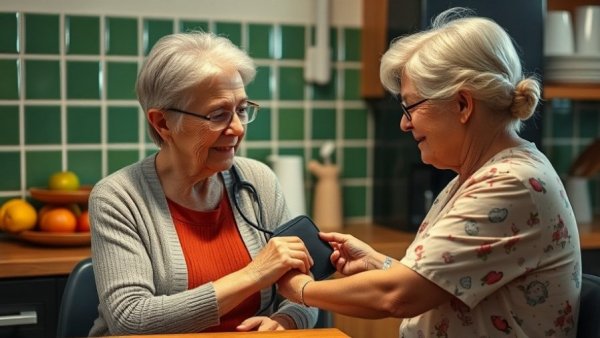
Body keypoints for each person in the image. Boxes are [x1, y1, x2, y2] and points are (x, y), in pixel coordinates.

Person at [278, 7, 582, 337]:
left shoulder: (510, 184)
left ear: (463, 105)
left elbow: (397, 296)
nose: (404, 123)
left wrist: (299, 289)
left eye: (411, 107)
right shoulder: (478, 176)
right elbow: (439, 283)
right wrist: (379, 264)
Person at [87, 31, 317, 336]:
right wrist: (255, 274)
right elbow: (130, 319)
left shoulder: (258, 180)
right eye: (218, 114)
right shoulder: (118, 198)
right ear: (163, 123)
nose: (236, 128)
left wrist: (285, 321)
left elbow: (306, 287)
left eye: (242, 110)